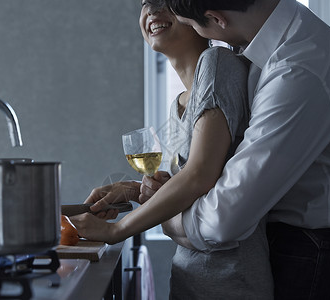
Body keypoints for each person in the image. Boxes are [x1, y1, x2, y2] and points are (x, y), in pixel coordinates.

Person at [138, 0, 330, 299]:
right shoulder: (266, 48)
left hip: (320, 248)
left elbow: (222, 220)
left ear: (216, 18)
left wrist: (161, 215)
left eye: (193, 24)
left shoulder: (298, 67)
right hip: (299, 240)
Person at [70, 0, 274, 298]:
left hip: (230, 283)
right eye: (145, 3)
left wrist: (116, 230)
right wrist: (134, 191)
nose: (152, 10)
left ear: (192, 11)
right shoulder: (179, 102)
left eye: (164, 2)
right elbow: (194, 187)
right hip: (193, 280)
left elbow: (198, 176)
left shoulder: (217, 63)